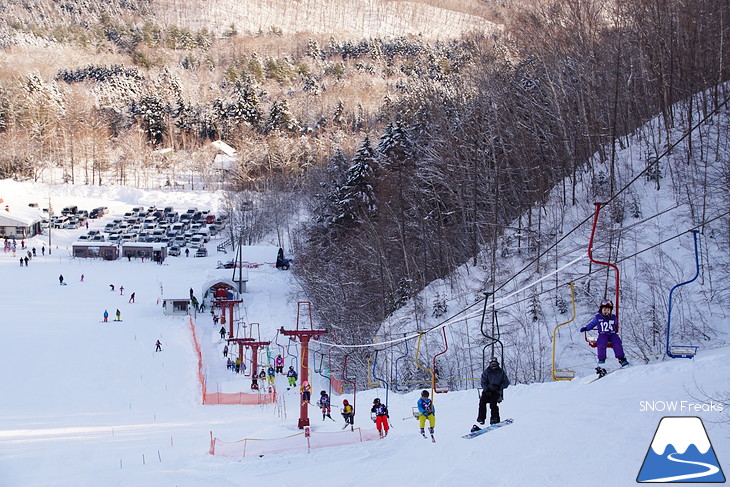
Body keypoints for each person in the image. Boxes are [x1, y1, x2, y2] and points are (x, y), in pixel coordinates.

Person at [580, 299, 629, 367]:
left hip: (612, 334)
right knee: (601, 343)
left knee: (617, 343)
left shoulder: (613, 317)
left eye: (608, 310)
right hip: (603, 334)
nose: (606, 311)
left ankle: (621, 359)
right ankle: (602, 359)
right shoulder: (598, 317)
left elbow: (615, 324)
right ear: (601, 310)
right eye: (605, 310)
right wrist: (586, 328)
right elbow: (592, 324)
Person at [476, 357, 510, 427]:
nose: (493, 365)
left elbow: (506, 382)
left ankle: (495, 418)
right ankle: (481, 418)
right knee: (482, 402)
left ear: (497, 363)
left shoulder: (501, 372)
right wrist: (486, 389)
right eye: (492, 363)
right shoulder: (486, 372)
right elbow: (483, 382)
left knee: (493, 403)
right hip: (487, 390)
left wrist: (500, 387)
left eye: (494, 363)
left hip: (496, 391)